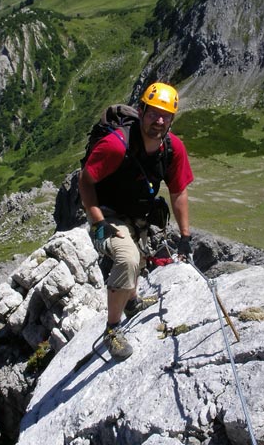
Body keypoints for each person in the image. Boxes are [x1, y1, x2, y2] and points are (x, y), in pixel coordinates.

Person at [78, 82, 194, 361]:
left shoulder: (173, 149)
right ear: (141, 111)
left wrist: (186, 237)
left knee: (140, 256)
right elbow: (85, 180)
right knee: (128, 259)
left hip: (137, 213)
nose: (160, 121)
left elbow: (179, 192)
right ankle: (112, 330)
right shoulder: (116, 146)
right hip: (107, 213)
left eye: (166, 116)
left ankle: (132, 302)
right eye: (154, 113)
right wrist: (97, 222)